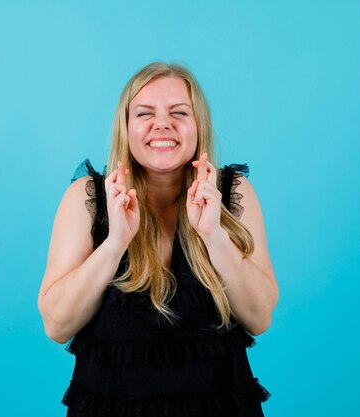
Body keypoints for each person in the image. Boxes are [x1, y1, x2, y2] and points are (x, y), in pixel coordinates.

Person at [37, 62, 279, 417]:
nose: (162, 124)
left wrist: (214, 236)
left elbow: (259, 316)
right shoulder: (87, 197)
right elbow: (57, 325)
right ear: (126, 127)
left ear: (199, 126)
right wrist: (115, 242)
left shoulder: (232, 193)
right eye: (145, 113)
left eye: (179, 112)